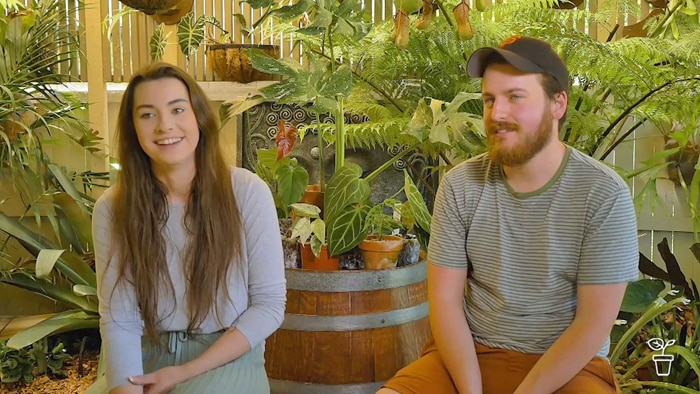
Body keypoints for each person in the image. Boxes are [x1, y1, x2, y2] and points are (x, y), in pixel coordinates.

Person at [377, 36, 639, 394]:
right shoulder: (460, 185)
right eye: (489, 99)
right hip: (470, 356)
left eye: (515, 96)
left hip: (566, 368)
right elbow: (445, 303)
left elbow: (592, 324)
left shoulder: (603, 194)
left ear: (557, 103)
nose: (497, 114)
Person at [91, 62, 286, 394]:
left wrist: (182, 373)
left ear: (199, 116)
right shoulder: (113, 207)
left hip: (224, 353)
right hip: (143, 351)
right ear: (133, 128)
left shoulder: (247, 193)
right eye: (147, 114)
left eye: (177, 109)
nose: (165, 126)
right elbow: (119, 317)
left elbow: (269, 306)